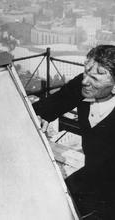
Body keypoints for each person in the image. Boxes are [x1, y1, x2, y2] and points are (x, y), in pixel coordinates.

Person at [33, 45, 115, 219]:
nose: (85, 80)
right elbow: (51, 105)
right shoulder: (84, 85)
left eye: (95, 77)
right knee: (50, 200)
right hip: (91, 175)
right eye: (86, 72)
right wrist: (36, 115)